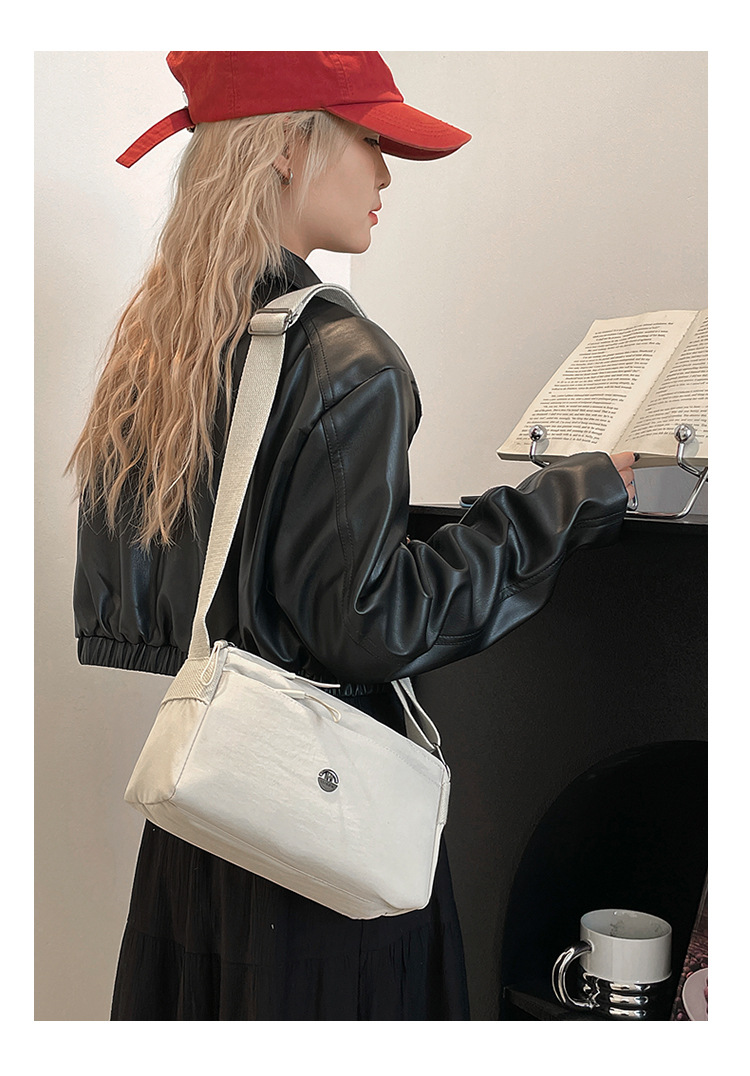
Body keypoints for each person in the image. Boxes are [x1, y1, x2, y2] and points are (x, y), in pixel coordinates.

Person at [68, 51, 635, 1021]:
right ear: (288, 148)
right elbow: (369, 624)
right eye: (369, 139)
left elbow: (173, 601)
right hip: (318, 839)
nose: (384, 173)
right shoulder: (345, 358)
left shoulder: (162, 343)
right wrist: (566, 498)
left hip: (202, 823)